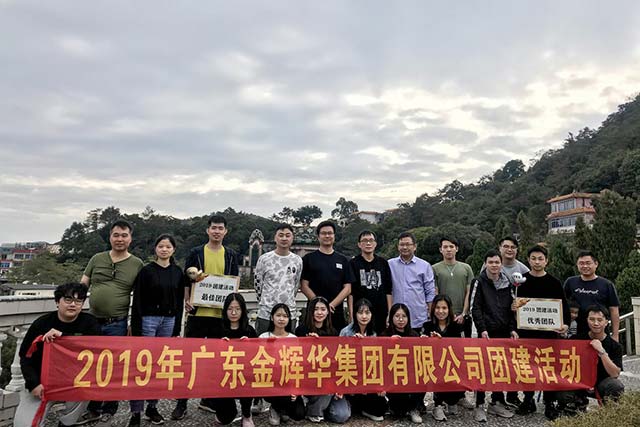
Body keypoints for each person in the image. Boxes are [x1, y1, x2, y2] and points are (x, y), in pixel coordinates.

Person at [174, 214, 239, 420]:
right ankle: (181, 403)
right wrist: (187, 300)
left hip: (220, 316)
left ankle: (208, 399)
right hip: (198, 314)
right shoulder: (196, 252)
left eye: (220, 228)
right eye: (213, 228)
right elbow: (186, 279)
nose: (217, 231)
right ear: (207, 230)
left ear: (225, 231)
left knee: (216, 361)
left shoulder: (231, 255)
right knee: (188, 359)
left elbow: (233, 282)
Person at [79, 219, 144, 423]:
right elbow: (82, 285)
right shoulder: (97, 258)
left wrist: (134, 323)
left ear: (130, 238)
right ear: (110, 237)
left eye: (124, 235)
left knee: (113, 366)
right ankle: (93, 407)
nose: (120, 239)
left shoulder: (137, 264)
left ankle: (110, 406)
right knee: (91, 364)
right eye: (116, 235)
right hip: (92, 320)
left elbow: (140, 297)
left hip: (118, 322)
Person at [14, 283, 101, 427]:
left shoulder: (90, 323)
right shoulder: (41, 323)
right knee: (23, 424)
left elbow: (95, 347)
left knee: (84, 392)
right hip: (42, 381)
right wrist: (33, 383)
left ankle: (67, 423)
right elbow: (25, 356)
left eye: (78, 301)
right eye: (68, 299)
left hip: (73, 381)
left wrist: (64, 337)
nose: (73, 304)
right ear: (57, 302)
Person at [129, 234, 187, 426]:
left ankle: (152, 407)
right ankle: (135, 412)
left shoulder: (177, 272)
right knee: (142, 365)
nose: (164, 249)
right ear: (155, 248)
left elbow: (179, 302)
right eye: (161, 246)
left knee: (160, 365)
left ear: (173, 250)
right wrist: (136, 327)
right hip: (148, 320)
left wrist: (177, 327)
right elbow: (138, 299)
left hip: (169, 320)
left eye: (168, 247)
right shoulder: (146, 271)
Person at [514, 244, 570, 420]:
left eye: (540, 259)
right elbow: (515, 308)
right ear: (528, 260)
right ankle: (528, 399)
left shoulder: (554, 282)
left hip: (549, 334)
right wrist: (514, 308)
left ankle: (549, 402)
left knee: (549, 368)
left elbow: (564, 307)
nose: (537, 262)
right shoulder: (521, 282)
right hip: (527, 334)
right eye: (533, 258)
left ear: (547, 261)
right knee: (527, 367)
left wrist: (565, 325)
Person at [470, 249, 517, 420]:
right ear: (485, 264)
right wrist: (482, 329)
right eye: (490, 262)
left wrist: (512, 329)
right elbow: (475, 308)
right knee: (482, 369)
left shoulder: (508, 283)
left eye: (497, 262)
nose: (494, 265)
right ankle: (479, 405)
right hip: (486, 334)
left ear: (501, 264)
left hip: (503, 333)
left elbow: (512, 309)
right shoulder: (479, 282)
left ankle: (496, 402)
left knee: (500, 368)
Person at [557, 305, 624, 413]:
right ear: (587, 320)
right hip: (579, 382)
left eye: (599, 320)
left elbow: (615, 374)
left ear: (606, 322)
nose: (595, 323)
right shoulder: (576, 340)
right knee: (562, 390)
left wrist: (602, 352)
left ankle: (609, 411)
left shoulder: (615, 346)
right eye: (592, 319)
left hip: (602, 382)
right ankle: (578, 404)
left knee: (616, 386)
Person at [295, 297, 351, 423]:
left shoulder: (333, 332)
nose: (319, 313)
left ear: (328, 312)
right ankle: (313, 410)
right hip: (312, 378)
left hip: (331, 378)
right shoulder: (302, 330)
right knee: (326, 386)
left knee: (341, 416)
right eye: (316, 309)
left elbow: (337, 360)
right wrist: (309, 343)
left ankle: (322, 407)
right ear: (310, 311)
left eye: (323, 309)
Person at [208, 293, 257, 427]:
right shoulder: (217, 329)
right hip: (223, 376)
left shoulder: (249, 330)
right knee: (225, 418)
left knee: (248, 382)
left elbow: (259, 354)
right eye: (230, 309)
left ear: (243, 310)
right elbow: (207, 354)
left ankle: (247, 414)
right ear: (225, 310)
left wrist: (250, 345)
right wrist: (218, 345)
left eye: (237, 309)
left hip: (243, 374)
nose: (234, 313)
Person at [300, 220, 355, 332]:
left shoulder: (343, 260)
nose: (327, 236)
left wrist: (331, 306)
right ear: (318, 236)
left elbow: (348, 288)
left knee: (336, 341)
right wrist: (319, 305)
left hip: (336, 312)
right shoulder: (308, 259)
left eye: (330, 233)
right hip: (314, 312)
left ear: (334, 236)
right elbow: (304, 285)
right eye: (323, 233)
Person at [340, 298, 389, 422]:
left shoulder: (373, 333)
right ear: (355, 314)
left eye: (367, 312)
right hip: (350, 377)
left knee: (382, 408)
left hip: (367, 379)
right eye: (360, 312)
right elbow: (339, 359)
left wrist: (380, 385)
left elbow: (377, 362)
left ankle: (362, 407)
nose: (364, 316)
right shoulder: (346, 332)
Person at [259, 304, 306, 426]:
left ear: (289, 319)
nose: (281, 319)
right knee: (281, 396)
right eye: (278, 315)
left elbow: (298, 365)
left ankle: (282, 410)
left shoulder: (293, 338)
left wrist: (296, 389)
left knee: (299, 414)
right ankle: (275, 408)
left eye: (285, 316)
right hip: (270, 381)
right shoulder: (263, 337)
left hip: (288, 381)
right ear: (272, 317)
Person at [254, 224, 303, 335]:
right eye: (281, 235)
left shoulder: (297, 260)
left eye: (287, 235)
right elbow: (257, 284)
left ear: (292, 238)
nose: (284, 238)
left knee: (288, 344)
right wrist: (265, 302)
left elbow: (295, 285)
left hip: (289, 313)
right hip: (266, 313)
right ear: (275, 238)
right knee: (263, 343)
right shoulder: (264, 259)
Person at [422, 295, 465, 422]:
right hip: (434, 365)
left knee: (454, 393)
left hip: (452, 364)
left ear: (449, 309)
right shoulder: (427, 326)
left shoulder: (457, 326)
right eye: (437, 308)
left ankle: (453, 401)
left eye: (444, 308)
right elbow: (421, 348)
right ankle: (438, 405)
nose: (440, 311)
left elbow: (462, 347)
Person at [381, 303, 424, 424]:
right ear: (391, 317)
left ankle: (414, 408)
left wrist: (426, 341)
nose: (401, 319)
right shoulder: (385, 335)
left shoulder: (414, 335)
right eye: (397, 316)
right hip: (393, 376)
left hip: (410, 375)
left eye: (404, 316)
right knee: (398, 411)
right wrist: (388, 343)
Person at [564, 250, 620, 341]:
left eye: (588, 263)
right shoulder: (570, 282)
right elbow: (562, 304)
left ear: (596, 264)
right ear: (577, 265)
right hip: (576, 332)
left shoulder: (606, 284)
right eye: (581, 263)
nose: (585, 266)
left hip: (600, 333)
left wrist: (615, 335)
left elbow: (614, 310)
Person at [388, 231, 436, 333]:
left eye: (408, 244)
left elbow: (430, 292)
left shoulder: (424, 266)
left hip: (418, 317)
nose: (405, 247)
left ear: (414, 246)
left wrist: (431, 315)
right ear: (398, 247)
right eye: (402, 244)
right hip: (396, 319)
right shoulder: (390, 265)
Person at [348, 230, 392, 335]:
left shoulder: (383, 263)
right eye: (365, 241)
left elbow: (388, 290)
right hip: (361, 313)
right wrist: (351, 314)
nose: (368, 243)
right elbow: (350, 292)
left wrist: (390, 313)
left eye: (371, 240)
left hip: (380, 312)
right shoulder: (353, 263)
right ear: (359, 244)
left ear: (375, 243)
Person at [432, 237, 474, 337]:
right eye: (445, 247)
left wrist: (463, 313)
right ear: (440, 249)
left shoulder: (466, 268)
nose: (448, 249)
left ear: (457, 249)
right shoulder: (434, 268)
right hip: (443, 317)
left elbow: (469, 292)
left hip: (462, 317)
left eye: (451, 246)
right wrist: (444, 313)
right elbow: (435, 293)